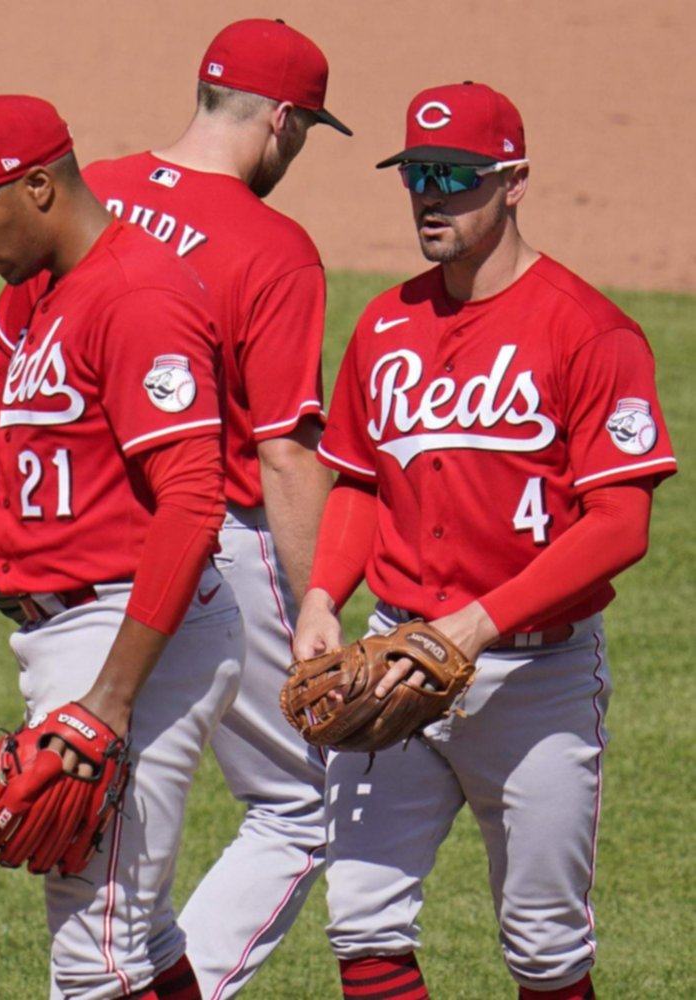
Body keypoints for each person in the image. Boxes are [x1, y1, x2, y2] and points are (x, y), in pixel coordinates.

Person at [291, 82, 677, 999]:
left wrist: (478, 623)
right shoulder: (386, 323)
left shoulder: (590, 331)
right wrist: (319, 597)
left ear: (515, 183)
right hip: (392, 653)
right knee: (363, 922)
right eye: (418, 175)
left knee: (544, 943)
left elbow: (622, 522)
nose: (431, 195)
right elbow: (358, 481)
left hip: (536, 678)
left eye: (457, 177)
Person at [0, 94, 242, 999]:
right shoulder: (47, 301)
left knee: (94, 952)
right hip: (84, 627)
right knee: (139, 939)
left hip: (132, 634)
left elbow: (195, 503)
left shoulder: (137, 297)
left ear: (38, 185)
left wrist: (111, 699)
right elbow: (57, 512)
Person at [58, 20, 349, 996]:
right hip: (216, 541)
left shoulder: (87, 194)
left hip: (90, 534)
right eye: (302, 130)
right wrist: (322, 609)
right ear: (280, 119)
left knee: (110, 796)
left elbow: (32, 372)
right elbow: (281, 451)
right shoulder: (275, 248)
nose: (297, 150)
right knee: (303, 802)